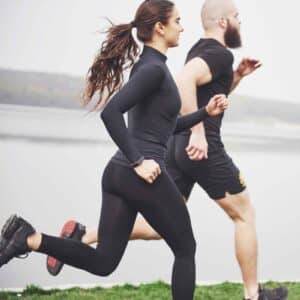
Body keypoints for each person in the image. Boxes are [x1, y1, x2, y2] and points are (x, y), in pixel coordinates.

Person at [44, 1, 289, 300]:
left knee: (163, 226)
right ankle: (253, 295)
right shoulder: (218, 53)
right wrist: (197, 134)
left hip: (170, 147)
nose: (240, 21)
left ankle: (85, 236)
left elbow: (184, 99)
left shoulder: (196, 51)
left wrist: (234, 79)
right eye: (237, 16)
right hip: (200, 147)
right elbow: (184, 81)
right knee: (243, 215)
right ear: (223, 21)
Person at [0, 1, 228, 299]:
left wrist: (204, 113)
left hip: (119, 175)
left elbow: (164, 127)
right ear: (160, 27)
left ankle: (28, 237)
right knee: (186, 249)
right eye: (178, 21)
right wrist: (139, 162)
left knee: (104, 262)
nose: (182, 27)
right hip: (140, 174)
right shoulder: (153, 71)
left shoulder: (151, 67)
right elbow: (111, 112)